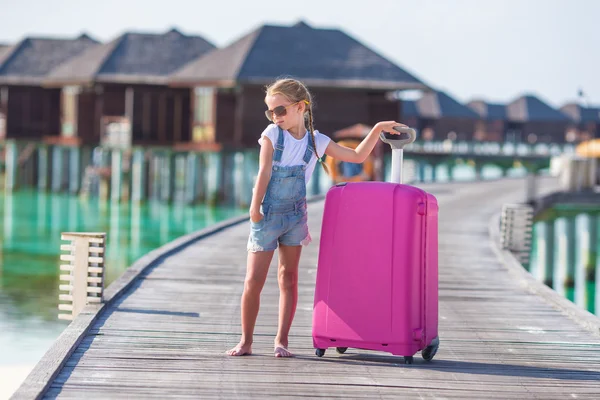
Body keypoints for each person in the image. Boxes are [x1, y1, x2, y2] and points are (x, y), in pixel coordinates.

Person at [226, 78, 406, 357]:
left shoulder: (317, 142)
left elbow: (357, 157)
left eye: (281, 110)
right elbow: (263, 172)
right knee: (254, 280)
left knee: (289, 277)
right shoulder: (272, 134)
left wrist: (378, 128)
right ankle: (246, 341)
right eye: (271, 112)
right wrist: (254, 207)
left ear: (301, 107)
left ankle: (281, 341)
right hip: (267, 214)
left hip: (296, 217)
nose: (276, 117)